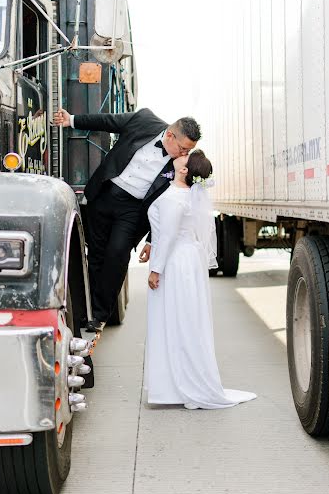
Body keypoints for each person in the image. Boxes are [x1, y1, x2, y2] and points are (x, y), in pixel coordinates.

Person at [53, 107, 201, 331]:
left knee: (117, 255)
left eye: (188, 151)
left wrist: (152, 239)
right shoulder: (144, 120)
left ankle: (100, 314)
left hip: (133, 210)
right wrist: (72, 119)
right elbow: (109, 121)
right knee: (95, 254)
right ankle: (87, 311)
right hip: (105, 195)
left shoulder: (180, 165)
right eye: (182, 148)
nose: (184, 155)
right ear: (170, 135)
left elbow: (171, 203)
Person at [146, 150, 257, 409]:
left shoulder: (174, 197)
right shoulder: (184, 196)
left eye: (185, 158)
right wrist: (151, 245)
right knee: (185, 321)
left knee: (176, 321)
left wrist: (156, 270)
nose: (181, 155)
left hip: (176, 263)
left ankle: (178, 387)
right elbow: (169, 231)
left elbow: (171, 234)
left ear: (184, 171)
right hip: (187, 260)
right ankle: (176, 385)